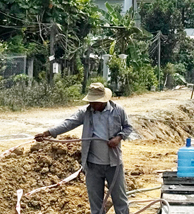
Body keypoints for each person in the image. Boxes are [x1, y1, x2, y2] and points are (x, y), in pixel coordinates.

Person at [35, 83, 133, 214]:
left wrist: (119, 137)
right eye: (91, 101)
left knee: (120, 200)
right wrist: (48, 132)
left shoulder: (118, 111)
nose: (92, 105)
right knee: (96, 204)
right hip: (93, 165)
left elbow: (128, 127)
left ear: (103, 100)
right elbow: (69, 123)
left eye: (95, 102)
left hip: (113, 164)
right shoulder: (86, 112)